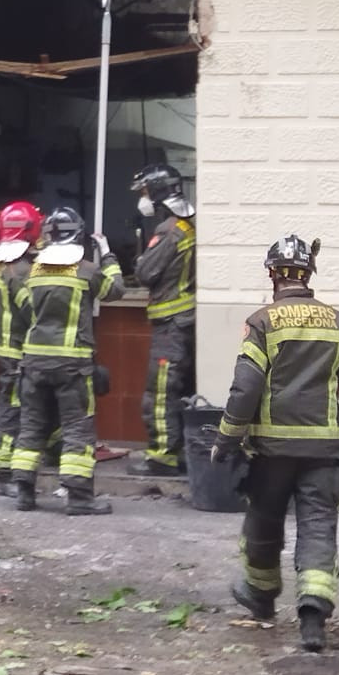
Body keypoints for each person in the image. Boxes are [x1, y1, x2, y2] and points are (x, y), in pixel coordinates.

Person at [216, 235, 339, 653]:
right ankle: (313, 619)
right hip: (324, 451)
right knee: (318, 528)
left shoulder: (262, 322)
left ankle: (261, 596)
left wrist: (226, 440)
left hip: (271, 452)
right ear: (308, 273)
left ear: (272, 273)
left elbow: (246, 388)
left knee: (264, 523)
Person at [10, 205, 122, 517]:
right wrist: (108, 254)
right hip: (72, 364)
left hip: (33, 362)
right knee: (77, 429)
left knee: (31, 426)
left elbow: (23, 311)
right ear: (79, 235)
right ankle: (79, 498)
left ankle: (23, 492)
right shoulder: (86, 270)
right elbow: (116, 290)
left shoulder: (29, 271)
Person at [129, 163, 196, 477]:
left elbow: (144, 273)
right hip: (184, 323)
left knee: (160, 393)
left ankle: (162, 457)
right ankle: (177, 451)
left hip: (171, 325)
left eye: (144, 192)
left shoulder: (169, 230)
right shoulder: (188, 224)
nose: (142, 198)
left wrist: (140, 257)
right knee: (179, 391)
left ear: (156, 192)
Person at [0, 201, 42, 494]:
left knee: (15, 408)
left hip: (8, 349)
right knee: (14, 412)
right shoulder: (19, 269)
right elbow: (33, 310)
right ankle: (3, 475)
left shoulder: (3, 262)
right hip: (19, 351)